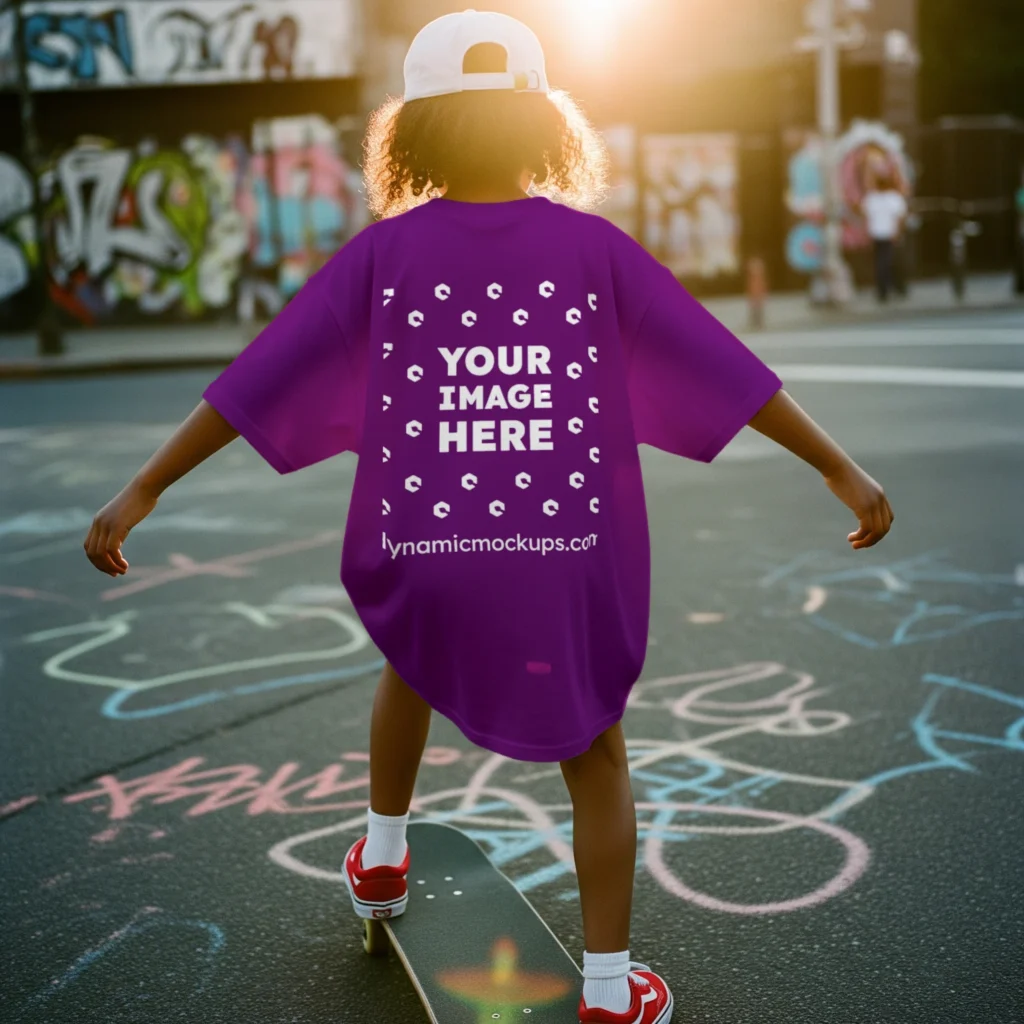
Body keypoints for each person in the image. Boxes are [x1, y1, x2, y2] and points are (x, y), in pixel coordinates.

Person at [83, 12, 894, 1023]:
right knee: (594, 751)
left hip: (426, 549)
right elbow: (726, 372)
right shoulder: (594, 251)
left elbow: (256, 382)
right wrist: (839, 467)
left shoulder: (383, 256)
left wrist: (146, 486)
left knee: (411, 658)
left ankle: (381, 857)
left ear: (413, 132)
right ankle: (607, 990)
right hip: (563, 552)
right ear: (541, 126)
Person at [861, 170, 909, 302]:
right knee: (888, 262)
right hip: (889, 234)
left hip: (877, 234)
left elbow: (865, 217)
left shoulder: (872, 199)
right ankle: (892, 288)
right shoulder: (893, 198)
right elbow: (901, 217)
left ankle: (884, 290)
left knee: (881, 262)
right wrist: (898, 232)